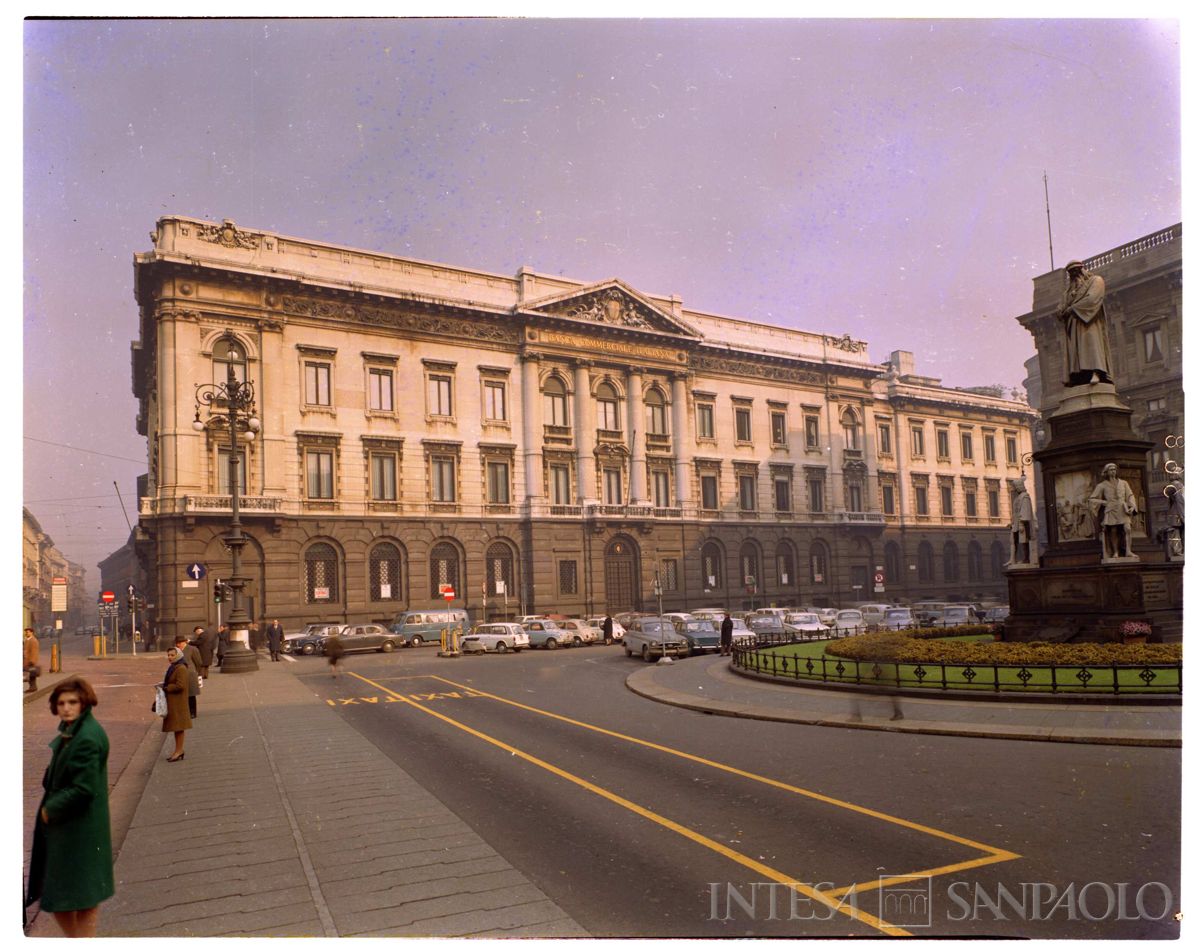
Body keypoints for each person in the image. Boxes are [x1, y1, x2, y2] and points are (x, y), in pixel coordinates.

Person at [26, 677, 114, 936]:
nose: (66, 708)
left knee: (63, 899)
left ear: (84, 702)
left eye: (72, 702)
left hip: (75, 829)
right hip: (82, 827)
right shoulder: (75, 730)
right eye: (61, 702)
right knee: (83, 898)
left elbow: (83, 789)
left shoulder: (84, 737)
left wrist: (49, 810)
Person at [1057, 260, 1113, 387]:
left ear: (1082, 269)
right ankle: (1079, 377)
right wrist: (1061, 311)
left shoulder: (1096, 281)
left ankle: (1097, 372)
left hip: (1089, 320)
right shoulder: (1068, 292)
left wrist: (1072, 308)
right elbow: (1061, 306)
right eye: (1071, 272)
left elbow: (1092, 299)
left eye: (1076, 270)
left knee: (1092, 345)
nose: (1074, 274)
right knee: (1076, 352)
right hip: (1073, 326)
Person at [1089, 463, 1139, 560]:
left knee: (1127, 528)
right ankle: (1115, 552)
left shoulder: (1124, 483)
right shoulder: (1102, 485)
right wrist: (1104, 502)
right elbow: (1092, 499)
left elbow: (1130, 495)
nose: (1113, 471)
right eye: (1111, 470)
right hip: (1111, 509)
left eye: (1114, 469)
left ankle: (1128, 551)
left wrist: (1132, 506)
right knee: (1113, 530)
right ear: (1106, 472)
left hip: (1122, 508)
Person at [159, 647, 191, 762]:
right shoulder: (174, 667)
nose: (170, 657)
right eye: (168, 655)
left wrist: (167, 688)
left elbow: (181, 685)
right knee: (176, 728)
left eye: (172, 655)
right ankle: (178, 750)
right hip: (174, 702)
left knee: (178, 727)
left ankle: (179, 751)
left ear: (178, 655)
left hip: (178, 703)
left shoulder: (181, 668)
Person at [1008, 478, 1036, 565]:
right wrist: (1012, 523)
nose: (1014, 489)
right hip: (1017, 524)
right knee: (1015, 540)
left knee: (1024, 541)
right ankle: (1014, 559)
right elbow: (1015, 512)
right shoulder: (1018, 498)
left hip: (1023, 524)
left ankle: (1026, 558)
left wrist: (1021, 522)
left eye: (1015, 487)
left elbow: (1025, 511)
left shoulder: (1025, 497)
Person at [174, 635, 202, 719]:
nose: (178, 645)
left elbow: (198, 662)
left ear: (184, 642)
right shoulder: (176, 650)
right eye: (177, 643)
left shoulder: (192, 649)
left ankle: (192, 712)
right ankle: (184, 712)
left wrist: (195, 672)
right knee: (181, 694)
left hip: (190, 674)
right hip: (179, 674)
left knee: (191, 694)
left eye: (179, 643)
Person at [24, 627, 41, 693]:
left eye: (28, 632)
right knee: (30, 675)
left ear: (32, 633)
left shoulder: (33, 641)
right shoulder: (27, 640)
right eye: (26, 632)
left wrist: (32, 661)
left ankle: (32, 688)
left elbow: (34, 652)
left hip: (30, 661)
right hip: (26, 660)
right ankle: (33, 687)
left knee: (32, 675)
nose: (26, 633)